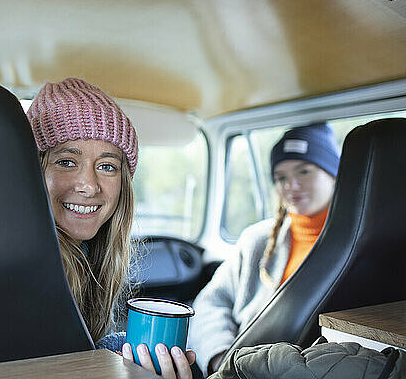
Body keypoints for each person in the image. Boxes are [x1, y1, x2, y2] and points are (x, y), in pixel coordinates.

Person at [26, 77, 195, 378]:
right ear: (33, 170)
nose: (89, 185)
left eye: (106, 166)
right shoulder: (26, 271)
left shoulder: (88, 256)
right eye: (66, 161)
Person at [187, 123, 340, 375]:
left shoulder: (353, 247)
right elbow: (211, 302)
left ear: (334, 175)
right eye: (281, 177)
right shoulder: (257, 239)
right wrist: (219, 358)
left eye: (304, 171)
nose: (291, 185)